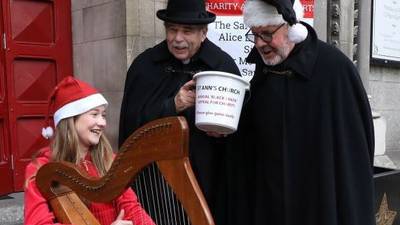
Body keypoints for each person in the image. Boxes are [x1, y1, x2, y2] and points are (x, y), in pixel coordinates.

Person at [225, 0, 376, 225]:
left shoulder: (334, 70)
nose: (259, 44)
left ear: (291, 27)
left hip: (319, 201)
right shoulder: (263, 74)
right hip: (271, 204)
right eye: (254, 35)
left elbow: (352, 156)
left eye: (266, 34)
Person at [118, 0, 240, 224]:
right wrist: (172, 105)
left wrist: (224, 132)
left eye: (187, 31)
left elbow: (240, 131)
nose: (178, 38)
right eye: (172, 29)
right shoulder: (145, 66)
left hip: (207, 180)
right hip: (156, 187)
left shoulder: (222, 66)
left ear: (203, 33)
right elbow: (131, 127)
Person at [24, 76, 155, 225]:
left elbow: (132, 209)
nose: (102, 123)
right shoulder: (40, 170)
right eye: (94, 114)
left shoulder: (109, 160)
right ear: (70, 120)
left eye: (103, 115)